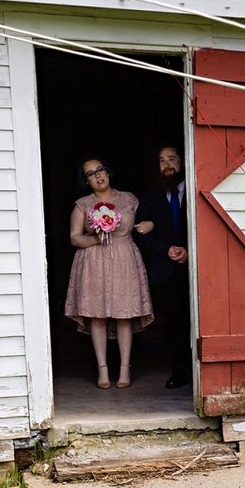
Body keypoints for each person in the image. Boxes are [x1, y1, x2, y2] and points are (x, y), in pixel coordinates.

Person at [64, 156, 154, 389]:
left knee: (124, 315)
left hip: (124, 258)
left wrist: (150, 225)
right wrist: (96, 237)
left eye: (100, 170)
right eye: (91, 173)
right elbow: (74, 238)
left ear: (108, 172)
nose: (98, 176)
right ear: (85, 181)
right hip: (94, 260)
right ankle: (102, 370)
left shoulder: (129, 199)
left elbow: (148, 222)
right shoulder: (82, 204)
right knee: (98, 316)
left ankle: (125, 369)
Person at [133, 145, 192, 389]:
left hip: (196, 268)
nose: (167, 165)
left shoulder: (197, 188)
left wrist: (191, 252)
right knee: (175, 324)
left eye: (172, 159)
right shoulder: (150, 196)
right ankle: (180, 371)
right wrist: (166, 250)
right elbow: (140, 236)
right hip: (166, 271)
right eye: (161, 160)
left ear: (183, 161)